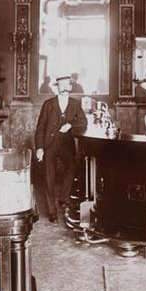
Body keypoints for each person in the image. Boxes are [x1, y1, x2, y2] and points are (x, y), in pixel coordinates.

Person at [34, 74, 87, 222]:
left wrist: (71, 125)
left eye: (67, 84)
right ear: (57, 87)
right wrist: (39, 148)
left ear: (70, 87)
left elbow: (83, 122)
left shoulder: (75, 104)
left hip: (66, 144)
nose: (64, 87)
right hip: (49, 144)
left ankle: (64, 197)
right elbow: (40, 128)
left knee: (71, 167)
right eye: (61, 85)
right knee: (48, 176)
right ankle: (52, 211)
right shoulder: (48, 104)